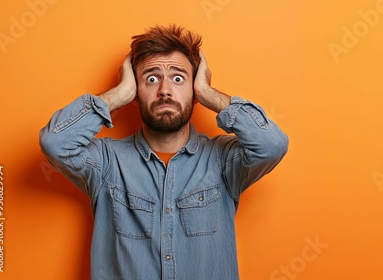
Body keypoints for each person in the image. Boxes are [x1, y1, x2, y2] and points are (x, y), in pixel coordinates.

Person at [39, 24, 288, 280]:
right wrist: (119, 94)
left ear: (194, 92)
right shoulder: (106, 163)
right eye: (151, 78)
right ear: (136, 92)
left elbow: (272, 144)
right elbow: (56, 142)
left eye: (178, 78)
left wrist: (208, 93)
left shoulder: (222, 161)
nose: (165, 90)